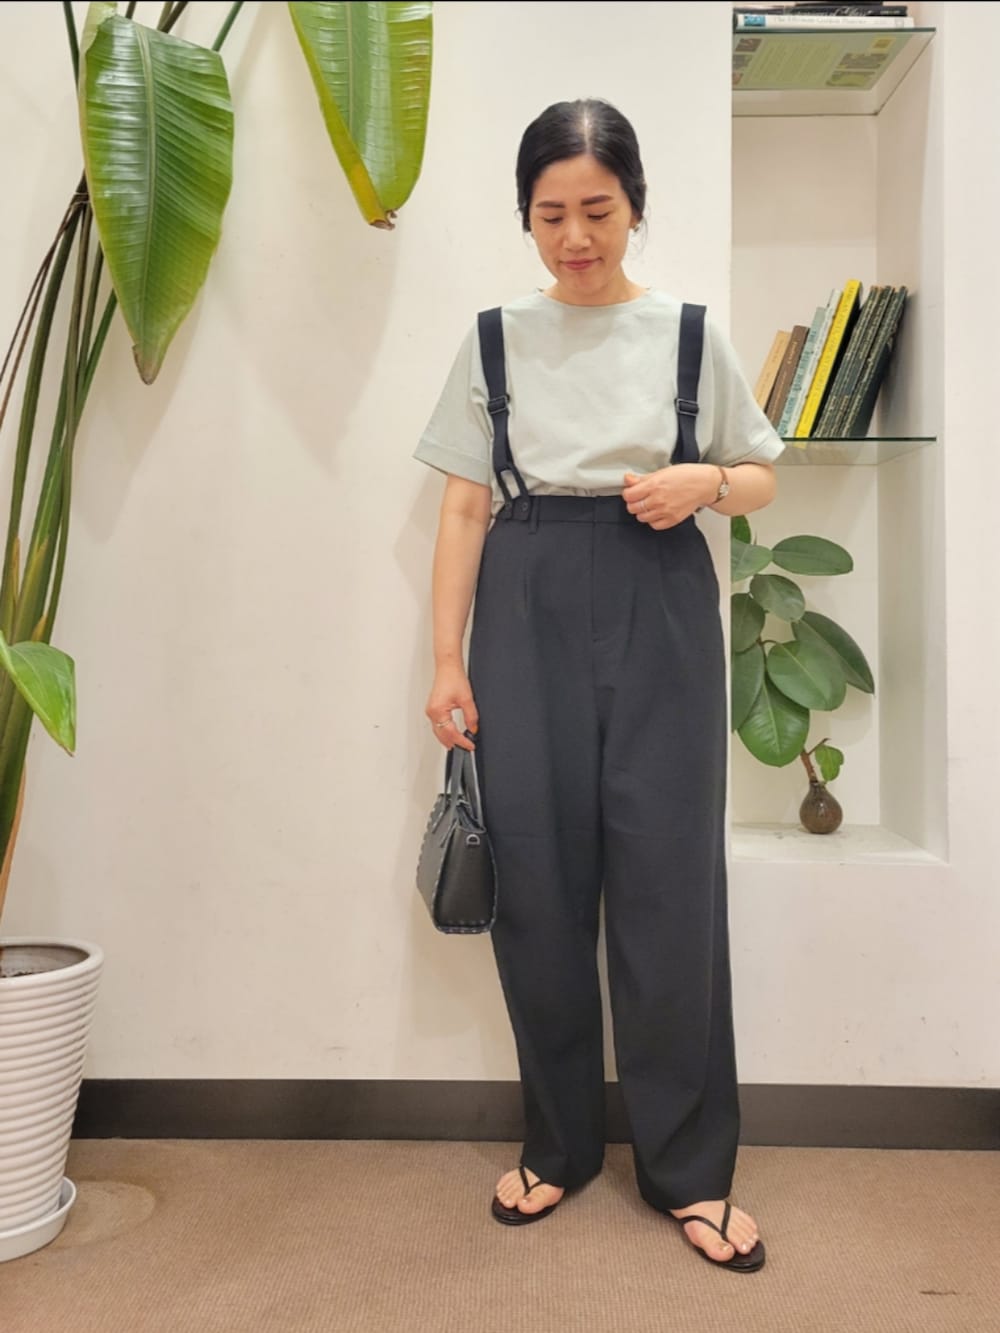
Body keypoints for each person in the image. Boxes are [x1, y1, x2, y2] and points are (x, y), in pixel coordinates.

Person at [413, 98, 783, 1274]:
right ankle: (559, 1143)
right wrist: (445, 658)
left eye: (597, 210)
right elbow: (462, 506)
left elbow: (762, 476)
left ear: (634, 206)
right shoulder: (492, 339)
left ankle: (690, 1168)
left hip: (658, 591)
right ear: (525, 218)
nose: (575, 237)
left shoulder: (687, 334)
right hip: (521, 598)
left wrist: (704, 482)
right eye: (550, 214)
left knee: (672, 885)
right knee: (538, 884)